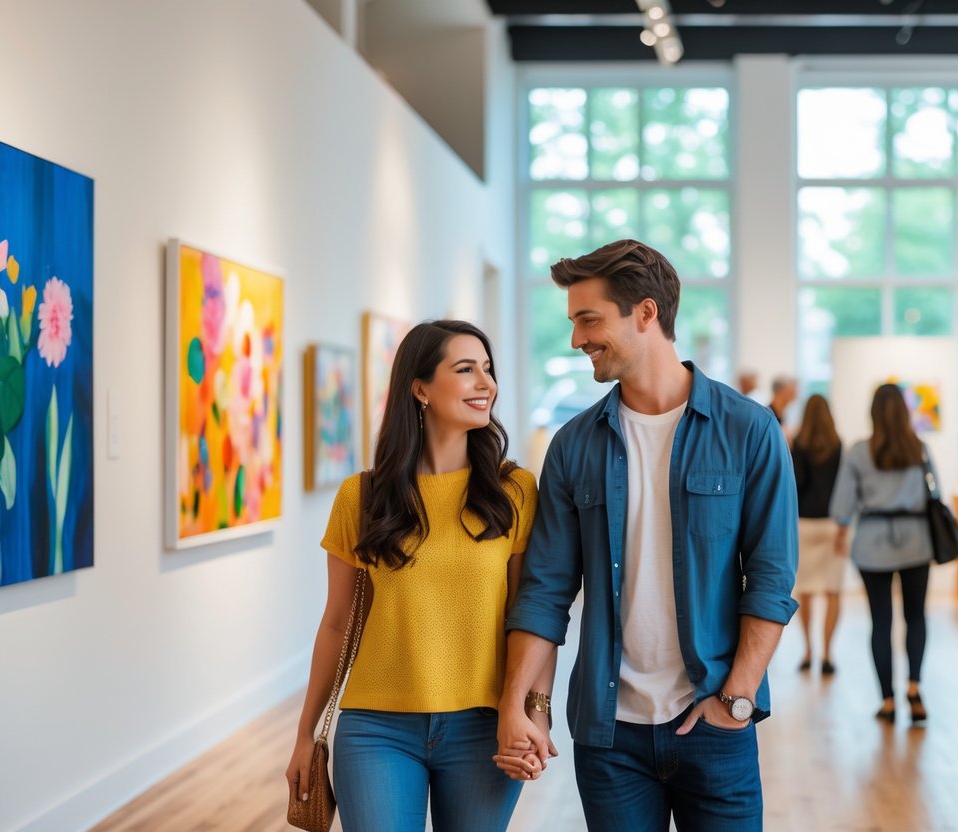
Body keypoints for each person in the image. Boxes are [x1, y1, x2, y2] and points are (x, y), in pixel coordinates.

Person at [495, 239, 799, 832]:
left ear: (646, 313)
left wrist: (735, 700)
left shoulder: (748, 430)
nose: (577, 338)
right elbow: (545, 590)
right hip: (610, 740)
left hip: (715, 725)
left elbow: (770, 578)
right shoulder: (574, 445)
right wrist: (518, 703)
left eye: (589, 319)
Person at [286, 320, 554, 832]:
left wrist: (533, 710)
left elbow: (532, 613)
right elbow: (337, 623)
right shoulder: (359, 497)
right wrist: (306, 735)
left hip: (485, 725)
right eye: (466, 369)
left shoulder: (514, 491)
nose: (486, 383)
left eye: (488, 369)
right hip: (376, 728)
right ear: (420, 388)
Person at [829, 383, 935, 725]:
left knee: (881, 621)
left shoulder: (860, 452)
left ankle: (888, 701)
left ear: (872, 413)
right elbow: (938, 494)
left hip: (872, 545)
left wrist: (844, 528)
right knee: (916, 617)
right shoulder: (919, 448)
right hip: (917, 541)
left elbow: (841, 507)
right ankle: (915, 687)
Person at [789, 394, 845, 675]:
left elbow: (796, 483)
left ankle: (808, 650)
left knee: (807, 590)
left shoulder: (799, 444)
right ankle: (828, 654)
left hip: (805, 524)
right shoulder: (838, 445)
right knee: (833, 590)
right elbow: (843, 488)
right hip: (832, 524)